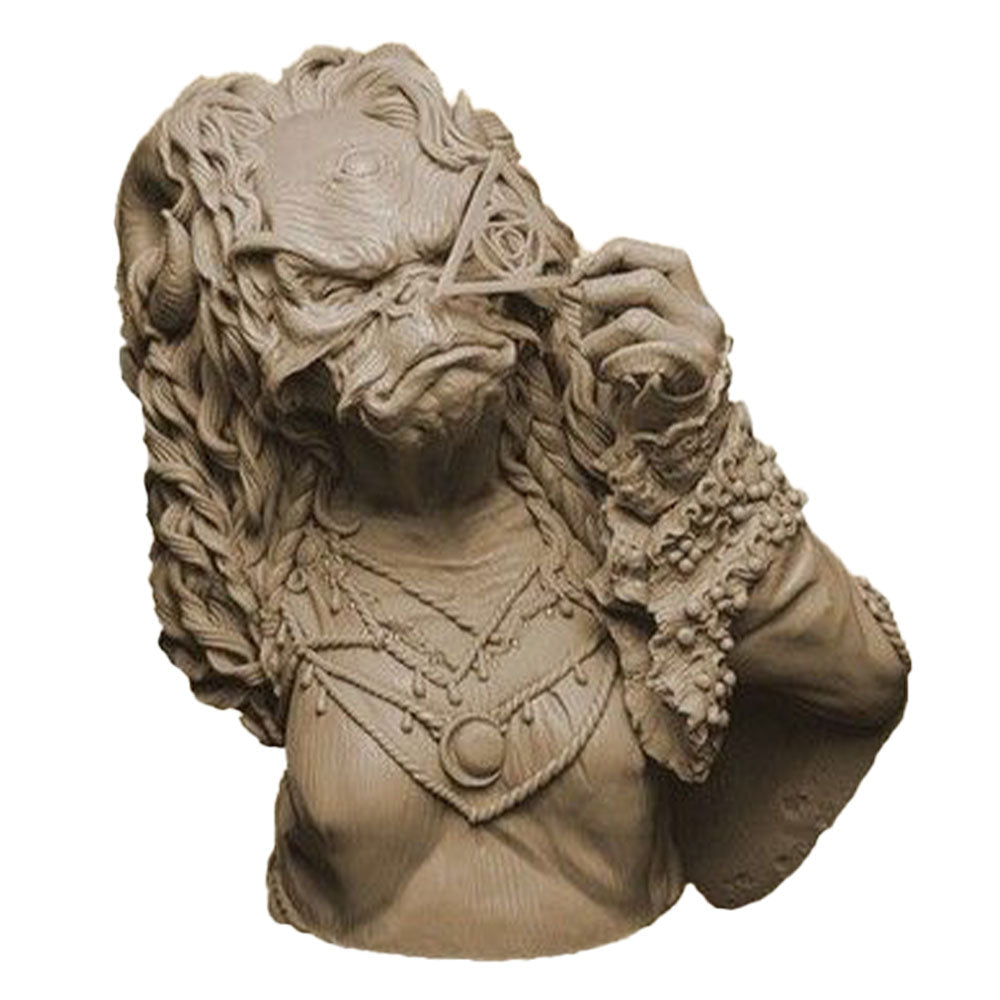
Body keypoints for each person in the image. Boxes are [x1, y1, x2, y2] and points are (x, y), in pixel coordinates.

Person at [116, 43, 909, 958]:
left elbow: (861, 682)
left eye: (443, 261)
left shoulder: (624, 508)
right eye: (338, 287)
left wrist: (693, 449)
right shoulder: (260, 569)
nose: (422, 319)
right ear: (250, 336)